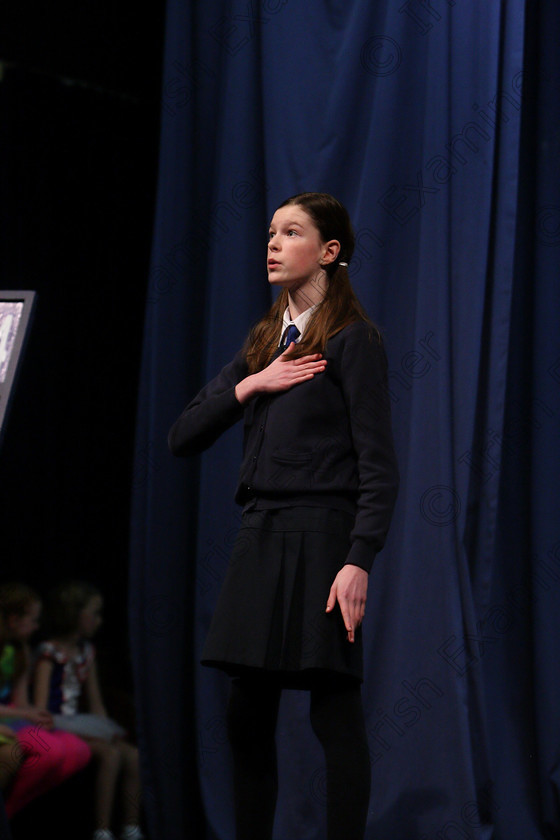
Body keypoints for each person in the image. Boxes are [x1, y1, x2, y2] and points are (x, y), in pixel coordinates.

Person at [168, 191, 400, 839]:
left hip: (322, 538)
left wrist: (358, 560)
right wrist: (252, 383)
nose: (272, 243)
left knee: (333, 711)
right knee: (247, 716)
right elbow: (182, 435)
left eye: (290, 232)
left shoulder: (355, 342)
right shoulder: (265, 342)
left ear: (329, 252)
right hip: (260, 538)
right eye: (270, 231)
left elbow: (379, 469)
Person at [33, 580, 144, 840]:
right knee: (110, 755)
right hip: (54, 723)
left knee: (133, 756)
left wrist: (106, 729)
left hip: (81, 723)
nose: (98, 620)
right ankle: (102, 830)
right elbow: (40, 707)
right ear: (75, 614)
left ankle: (130, 826)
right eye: (94, 613)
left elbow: (95, 702)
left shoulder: (86, 652)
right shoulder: (49, 652)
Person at [0, 581, 91, 818]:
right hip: (6, 717)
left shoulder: (20, 650)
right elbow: (20, 711)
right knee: (49, 751)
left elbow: (22, 701)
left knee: (78, 751)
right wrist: (25, 715)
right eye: (33, 620)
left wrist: (36, 715)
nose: (36, 626)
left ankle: (12, 809)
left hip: (11, 714)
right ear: (13, 619)